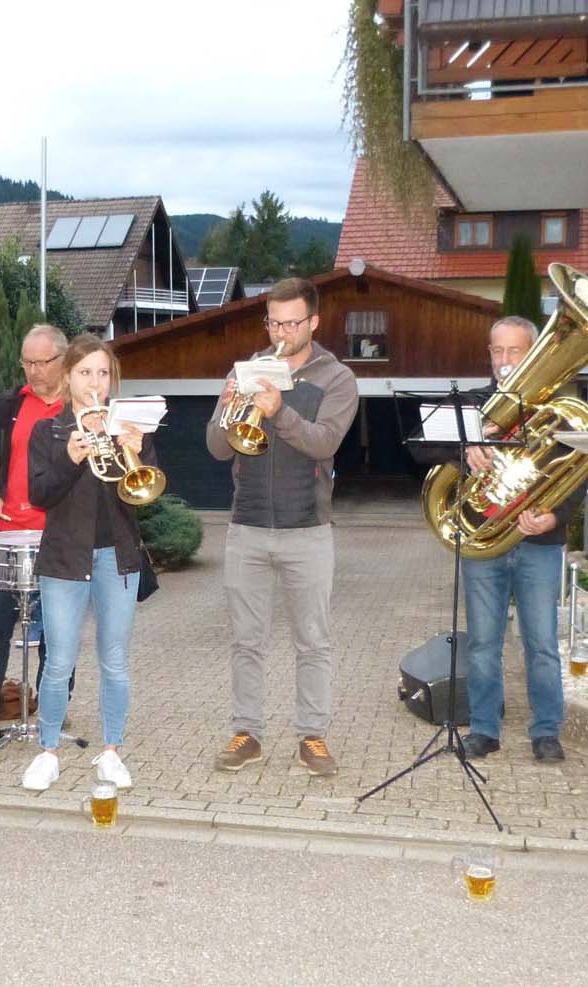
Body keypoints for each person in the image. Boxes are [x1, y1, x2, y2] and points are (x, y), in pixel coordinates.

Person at [206, 277, 358, 777]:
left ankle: (311, 736)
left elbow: (324, 443)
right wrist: (229, 408)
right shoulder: (247, 369)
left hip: (307, 528)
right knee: (246, 639)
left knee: (312, 640)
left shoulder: (336, 378)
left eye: (292, 322)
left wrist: (281, 411)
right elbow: (217, 450)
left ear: (313, 322)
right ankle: (247, 732)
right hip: (247, 525)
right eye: (273, 321)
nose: (282, 331)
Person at [18, 333, 154, 791]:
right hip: (64, 558)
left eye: (102, 373)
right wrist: (71, 458)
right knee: (58, 662)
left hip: (118, 555)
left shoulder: (129, 424)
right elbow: (41, 494)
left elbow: (143, 490)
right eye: (84, 373)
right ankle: (48, 752)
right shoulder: (50, 431)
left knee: (115, 661)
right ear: (68, 377)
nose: (94, 381)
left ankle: (112, 751)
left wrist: (136, 446)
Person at [460, 315, 578, 763]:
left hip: (538, 544)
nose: (505, 360)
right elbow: (426, 453)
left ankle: (546, 731)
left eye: (514, 351)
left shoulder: (559, 407)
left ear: (532, 353)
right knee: (484, 644)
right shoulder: (474, 406)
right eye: (497, 351)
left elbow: (580, 473)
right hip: (485, 538)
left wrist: (553, 517)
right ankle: (484, 729)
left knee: (542, 644)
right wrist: (463, 451)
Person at [0, 323, 69, 736]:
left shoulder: (78, 407)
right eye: (28, 362)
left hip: (59, 535)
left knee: (60, 628)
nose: (35, 371)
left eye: (43, 362)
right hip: (5, 534)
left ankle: (53, 707)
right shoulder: (8, 405)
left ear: (63, 360)